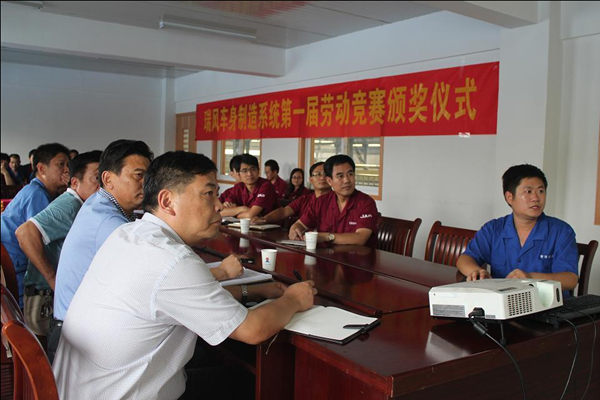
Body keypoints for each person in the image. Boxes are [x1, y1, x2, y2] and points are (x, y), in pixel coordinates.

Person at [52, 151, 316, 399]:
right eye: (208, 194)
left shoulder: (129, 234)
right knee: (250, 384)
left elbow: (182, 295)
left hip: (84, 389)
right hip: (119, 393)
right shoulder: (172, 260)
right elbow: (252, 330)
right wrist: (293, 299)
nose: (219, 206)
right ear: (167, 201)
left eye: (217, 194)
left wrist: (256, 290)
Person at [49, 139, 154, 361]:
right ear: (107, 179)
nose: (146, 184)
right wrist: (220, 273)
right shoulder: (109, 222)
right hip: (78, 340)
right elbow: (152, 279)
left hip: (75, 328)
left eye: (148, 176)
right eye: (138, 176)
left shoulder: (98, 203)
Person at [15, 151, 101, 337]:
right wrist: (52, 278)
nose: (102, 186)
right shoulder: (70, 204)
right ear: (75, 182)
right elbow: (25, 233)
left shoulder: (83, 205)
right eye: (96, 178)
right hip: (44, 296)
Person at [456, 164, 579, 295]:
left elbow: (570, 279)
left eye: (541, 191)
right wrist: (476, 271)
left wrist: (530, 278)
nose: (536, 198)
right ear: (509, 197)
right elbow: (465, 259)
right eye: (528, 192)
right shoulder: (493, 229)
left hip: (546, 303)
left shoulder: (561, 231)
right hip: (503, 302)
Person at [1, 143, 70, 307]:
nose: (67, 170)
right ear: (41, 168)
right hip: (17, 268)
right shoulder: (36, 194)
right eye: (61, 165)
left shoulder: (39, 191)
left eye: (68, 165)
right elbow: (40, 239)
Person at [289, 154, 378, 246]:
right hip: (325, 254)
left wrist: (327, 237)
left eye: (350, 174)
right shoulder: (321, 201)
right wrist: (295, 229)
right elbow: (300, 224)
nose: (347, 180)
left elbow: (360, 238)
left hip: (357, 255)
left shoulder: (366, 202)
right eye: (340, 176)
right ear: (329, 181)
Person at [253, 162, 330, 225]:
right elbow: (284, 212)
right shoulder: (305, 199)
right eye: (318, 174)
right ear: (311, 179)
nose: (322, 178)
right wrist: (264, 219)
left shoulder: (335, 199)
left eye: (326, 174)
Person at [220, 154, 278, 218]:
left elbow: (251, 215)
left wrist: (234, 212)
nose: (249, 174)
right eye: (244, 171)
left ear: (258, 170)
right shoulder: (239, 187)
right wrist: (242, 208)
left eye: (253, 169)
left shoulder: (266, 185)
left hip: (269, 223)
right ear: (239, 174)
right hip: (247, 223)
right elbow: (221, 212)